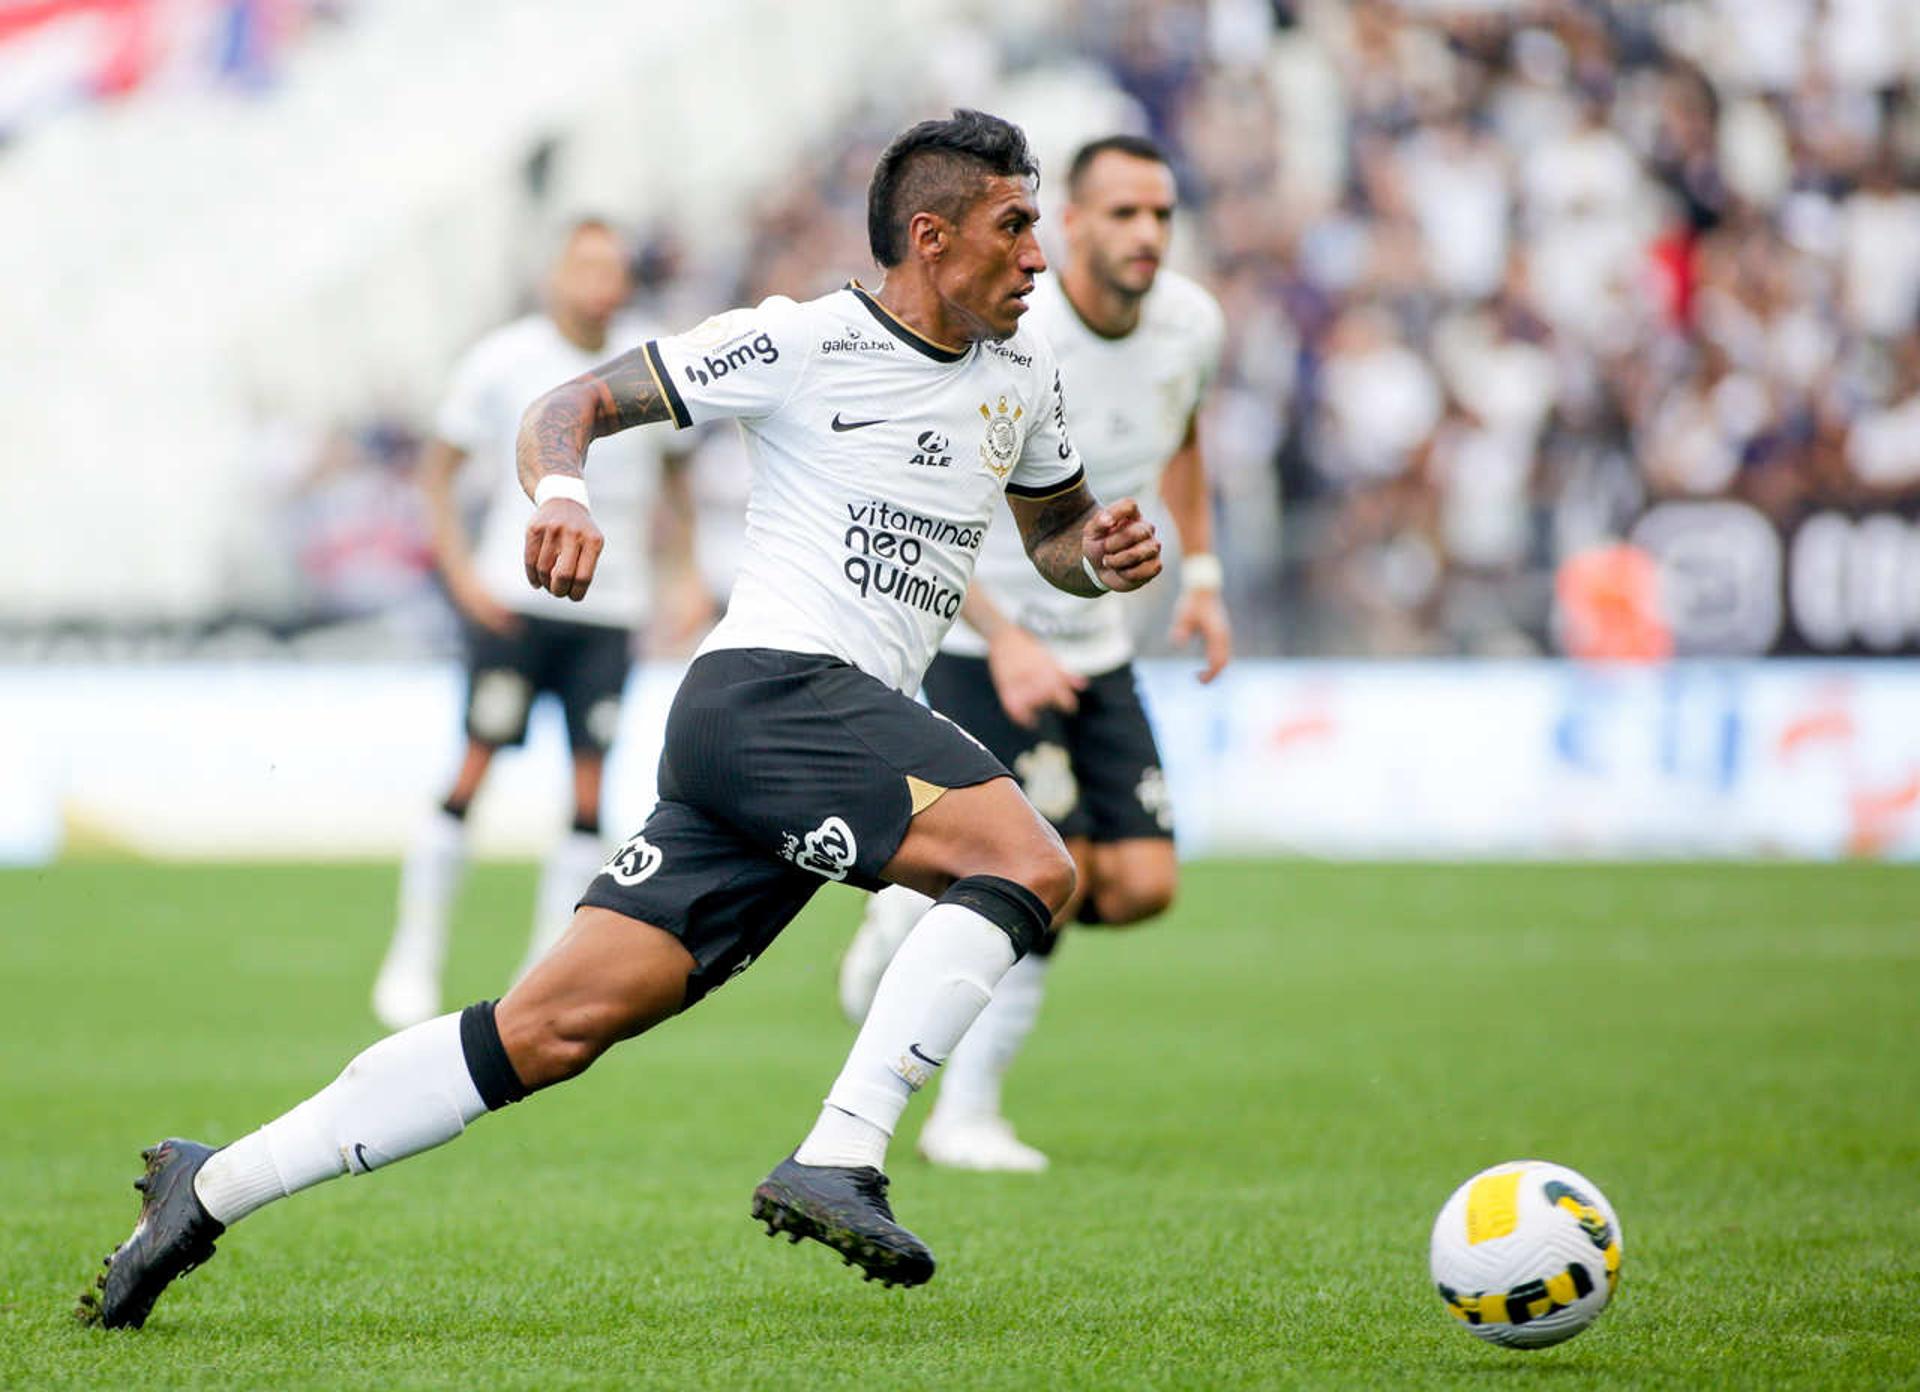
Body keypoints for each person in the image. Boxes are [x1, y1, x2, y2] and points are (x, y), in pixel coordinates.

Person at [79, 109, 1164, 1331]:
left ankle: (208, 1188)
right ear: (931, 236)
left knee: (546, 1030)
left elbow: (1056, 537)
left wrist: (1102, 557)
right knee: (1026, 861)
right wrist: (562, 494)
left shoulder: (1023, 375)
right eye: (1016, 228)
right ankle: (843, 1152)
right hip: (773, 691)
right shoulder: (797, 341)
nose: (1038, 259)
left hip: (800, 740)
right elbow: (566, 405)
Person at [837, 134, 1230, 1173]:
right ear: (1075, 223)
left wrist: (1202, 579)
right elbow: (926, 501)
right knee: (1038, 871)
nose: (1146, 234)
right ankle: (964, 1111)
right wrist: (1004, 642)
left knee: (1139, 882)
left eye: (1162, 215)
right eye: (1121, 214)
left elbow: (1184, 432)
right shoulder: (1013, 325)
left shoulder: (1194, 323)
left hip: (1092, 638)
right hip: (982, 638)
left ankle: (919, 918)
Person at [372, 217, 703, 1030]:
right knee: (472, 771)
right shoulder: (503, 359)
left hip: (609, 609)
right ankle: (413, 957)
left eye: (612, 266)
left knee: (590, 791)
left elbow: (677, 485)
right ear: (555, 274)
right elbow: (438, 475)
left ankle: (538, 976)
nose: (601, 280)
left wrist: (683, 578)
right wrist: (459, 576)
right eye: (585, 264)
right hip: (512, 601)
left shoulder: (644, 362)